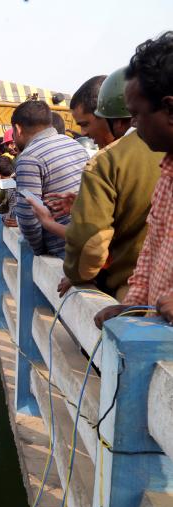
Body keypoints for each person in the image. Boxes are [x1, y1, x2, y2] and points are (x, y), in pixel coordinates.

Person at [44, 68, 163, 301]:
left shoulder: (107, 161)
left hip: (133, 294)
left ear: (116, 121)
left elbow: (90, 243)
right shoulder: (161, 154)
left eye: (86, 124)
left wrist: (78, 275)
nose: (84, 134)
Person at [96, 32, 173, 326]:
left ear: (169, 109)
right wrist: (132, 305)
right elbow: (152, 251)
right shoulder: (167, 173)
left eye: (137, 116)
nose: (134, 127)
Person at [12, 100, 88, 258]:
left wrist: (39, 250)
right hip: (88, 245)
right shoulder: (76, 145)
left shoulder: (29, 157)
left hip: (63, 253)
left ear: (18, 129)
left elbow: (28, 218)